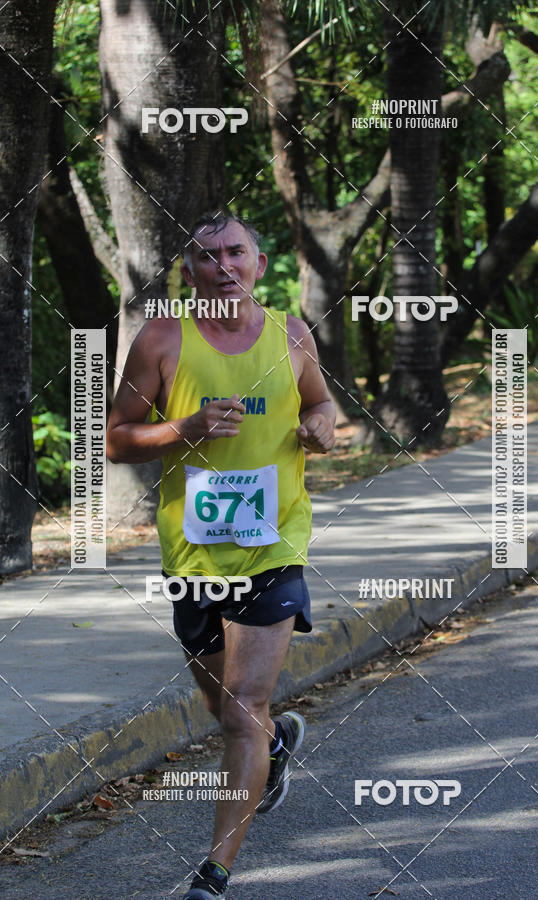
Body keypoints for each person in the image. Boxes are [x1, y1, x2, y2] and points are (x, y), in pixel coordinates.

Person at [106, 212, 336, 899]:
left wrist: (322, 426)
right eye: (207, 257)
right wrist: (188, 427)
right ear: (190, 273)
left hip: (276, 544)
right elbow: (116, 438)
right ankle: (274, 745)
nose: (224, 266)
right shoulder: (163, 340)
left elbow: (322, 404)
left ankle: (214, 876)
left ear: (261, 263)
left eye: (236, 252)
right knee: (226, 707)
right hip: (195, 554)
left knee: (242, 711)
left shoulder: (292, 333)